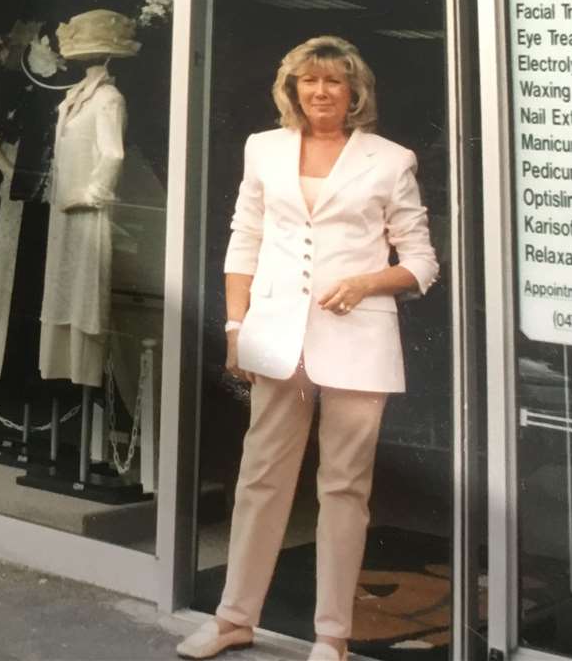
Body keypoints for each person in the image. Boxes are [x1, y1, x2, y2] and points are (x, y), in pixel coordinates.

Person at [177, 36, 439, 661]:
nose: (320, 92)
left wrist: (369, 281)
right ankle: (233, 619)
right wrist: (236, 328)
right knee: (260, 479)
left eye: (334, 82)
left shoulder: (390, 159)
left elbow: (423, 261)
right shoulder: (263, 149)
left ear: (355, 93)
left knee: (345, 487)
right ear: (291, 89)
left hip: (358, 341)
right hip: (276, 336)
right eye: (308, 81)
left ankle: (332, 637)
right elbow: (245, 240)